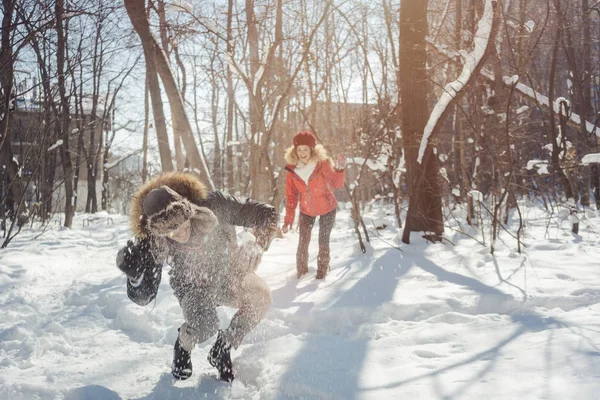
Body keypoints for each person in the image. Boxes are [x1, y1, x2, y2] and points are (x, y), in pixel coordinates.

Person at [116, 171, 278, 382]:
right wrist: (134, 276)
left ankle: (222, 349)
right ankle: (183, 345)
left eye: (183, 225)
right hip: (192, 289)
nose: (181, 234)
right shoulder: (152, 242)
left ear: (189, 211)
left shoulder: (216, 205)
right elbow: (144, 296)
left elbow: (268, 215)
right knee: (206, 326)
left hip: (229, 274)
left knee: (260, 297)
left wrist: (254, 240)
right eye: (171, 233)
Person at [281, 131, 346, 279]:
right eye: (299, 149)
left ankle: (321, 275)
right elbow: (291, 196)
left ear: (312, 149)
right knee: (303, 243)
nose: (302, 153)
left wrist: (340, 169)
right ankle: (301, 274)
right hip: (306, 210)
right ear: (294, 151)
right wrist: (288, 220)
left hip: (327, 208)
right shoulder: (292, 170)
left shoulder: (321, 165)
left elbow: (336, 183)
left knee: (323, 241)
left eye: (306, 149)